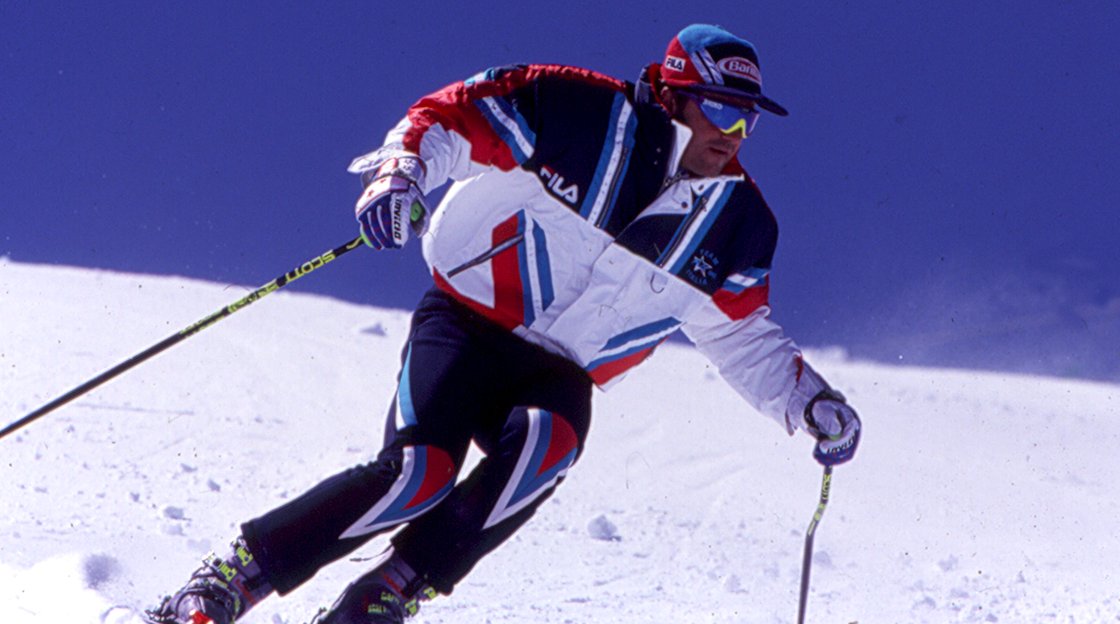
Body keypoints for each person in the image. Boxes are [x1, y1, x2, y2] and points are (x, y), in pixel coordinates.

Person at [147, 24, 861, 624]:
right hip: (468, 322)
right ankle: (230, 579)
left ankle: (385, 595)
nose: (735, 135)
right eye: (722, 112)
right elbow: (450, 118)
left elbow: (740, 334)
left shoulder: (737, 223)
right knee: (419, 473)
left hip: (559, 370)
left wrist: (809, 402)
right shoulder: (578, 111)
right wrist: (400, 173)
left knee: (550, 444)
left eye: (748, 120)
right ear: (673, 97)